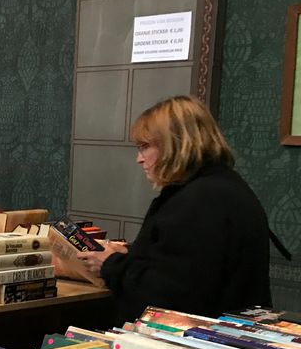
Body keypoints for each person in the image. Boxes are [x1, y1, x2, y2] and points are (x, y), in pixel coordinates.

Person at [77, 95, 272, 321]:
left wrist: (111, 265)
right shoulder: (227, 186)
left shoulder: (198, 201)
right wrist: (132, 255)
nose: (139, 159)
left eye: (145, 147)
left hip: (195, 344)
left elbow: (168, 298)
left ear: (174, 144)